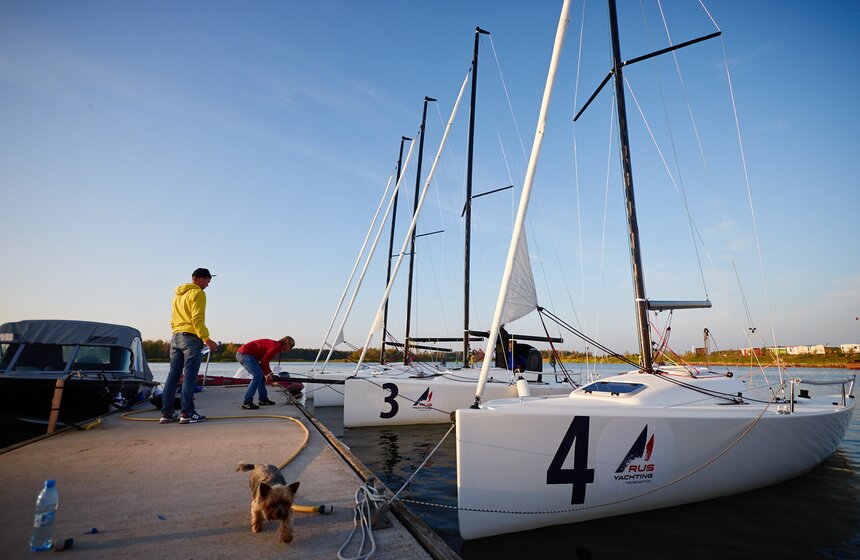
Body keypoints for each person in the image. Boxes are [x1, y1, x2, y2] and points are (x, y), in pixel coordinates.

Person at [160, 268, 218, 424]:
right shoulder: (198, 293)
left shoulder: (177, 296)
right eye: (207, 281)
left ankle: (166, 413)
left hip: (176, 337)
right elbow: (197, 319)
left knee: (173, 376)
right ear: (198, 279)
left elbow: (173, 319)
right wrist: (207, 339)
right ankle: (187, 413)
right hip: (191, 339)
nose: (207, 285)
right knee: (189, 377)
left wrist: (177, 331)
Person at [236, 336, 295, 409]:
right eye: (291, 346)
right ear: (286, 344)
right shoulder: (276, 346)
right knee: (258, 375)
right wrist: (269, 373)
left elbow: (264, 360)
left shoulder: (276, 346)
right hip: (244, 354)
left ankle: (263, 400)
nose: (290, 349)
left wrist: (268, 373)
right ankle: (247, 402)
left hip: (247, 355)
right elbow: (264, 362)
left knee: (260, 376)